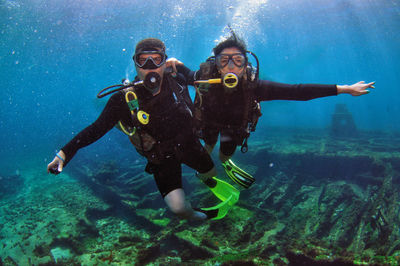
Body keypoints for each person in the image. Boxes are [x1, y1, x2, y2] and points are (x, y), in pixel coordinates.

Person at [47, 38, 240, 221]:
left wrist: (181, 66)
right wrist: (65, 153)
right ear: (135, 65)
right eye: (143, 60)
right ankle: (204, 216)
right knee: (179, 209)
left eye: (156, 60)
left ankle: (207, 180)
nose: (150, 66)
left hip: (189, 143)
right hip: (161, 157)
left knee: (211, 173)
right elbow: (96, 129)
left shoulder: (178, 79)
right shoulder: (123, 99)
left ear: (165, 62)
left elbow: (205, 79)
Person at [171, 32, 375, 189]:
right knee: (207, 145)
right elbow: (184, 71)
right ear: (215, 65)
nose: (231, 67)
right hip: (208, 123)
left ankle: (224, 163)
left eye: (238, 60)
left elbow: (297, 92)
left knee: (225, 155)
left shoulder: (255, 88)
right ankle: (205, 169)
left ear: (245, 64)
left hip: (234, 129)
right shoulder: (204, 79)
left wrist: (345, 89)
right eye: (224, 60)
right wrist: (173, 62)